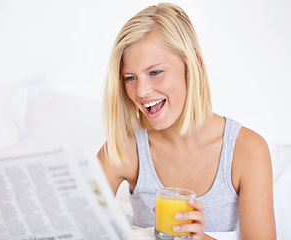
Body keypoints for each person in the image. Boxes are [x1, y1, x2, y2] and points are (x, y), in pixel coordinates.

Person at [97, 2, 276, 240]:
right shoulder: (124, 149)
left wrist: (201, 238)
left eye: (155, 72)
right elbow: (73, 226)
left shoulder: (247, 151)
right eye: (130, 78)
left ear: (193, 65)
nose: (141, 92)